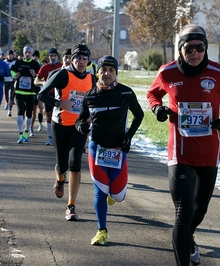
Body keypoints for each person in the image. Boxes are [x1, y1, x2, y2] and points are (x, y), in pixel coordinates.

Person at [147, 24, 220, 266]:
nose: (195, 53)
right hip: (180, 152)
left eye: (200, 47)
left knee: (198, 210)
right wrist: (157, 108)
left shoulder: (219, 73)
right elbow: (152, 94)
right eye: (189, 47)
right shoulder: (167, 72)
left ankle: (188, 238)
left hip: (208, 152)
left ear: (205, 49)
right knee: (183, 213)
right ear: (180, 49)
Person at [75, 55, 144, 246]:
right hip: (96, 148)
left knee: (118, 196)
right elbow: (80, 120)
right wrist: (81, 127)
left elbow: (139, 115)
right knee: (100, 192)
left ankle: (114, 194)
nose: (107, 73)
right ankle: (101, 231)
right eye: (103, 70)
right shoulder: (89, 96)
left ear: (116, 73)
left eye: (111, 70)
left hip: (118, 150)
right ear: (97, 72)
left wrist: (128, 136)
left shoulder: (126, 93)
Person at [38, 43, 96, 221]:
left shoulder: (92, 79)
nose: (81, 61)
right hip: (60, 124)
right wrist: (59, 103)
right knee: (62, 165)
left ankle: (71, 205)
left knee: (75, 163)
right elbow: (41, 94)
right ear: (72, 59)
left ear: (88, 61)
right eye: (78, 57)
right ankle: (60, 178)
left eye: (85, 58)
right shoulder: (62, 75)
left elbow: (95, 101)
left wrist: (89, 117)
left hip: (78, 127)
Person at [11, 45, 41, 143]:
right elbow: (12, 70)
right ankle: (20, 134)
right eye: (26, 52)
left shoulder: (35, 64)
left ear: (32, 53)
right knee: (20, 112)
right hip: (20, 91)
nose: (27, 54)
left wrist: (34, 75)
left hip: (31, 92)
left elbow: (41, 77)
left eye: (29, 52)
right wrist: (15, 75)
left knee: (29, 113)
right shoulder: (18, 63)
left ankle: (26, 131)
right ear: (23, 53)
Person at [34, 48, 62, 145]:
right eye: (51, 55)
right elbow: (36, 81)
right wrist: (43, 83)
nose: (52, 57)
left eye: (54, 55)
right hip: (49, 95)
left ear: (57, 56)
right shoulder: (45, 68)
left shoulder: (62, 66)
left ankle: (58, 137)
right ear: (48, 57)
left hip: (61, 95)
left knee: (61, 116)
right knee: (48, 115)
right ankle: (50, 137)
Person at [29, 50, 43, 137]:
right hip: (28, 90)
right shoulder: (29, 64)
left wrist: (35, 75)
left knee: (37, 109)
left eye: (36, 56)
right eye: (33, 56)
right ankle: (27, 127)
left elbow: (41, 78)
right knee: (28, 110)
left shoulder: (39, 66)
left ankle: (32, 126)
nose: (34, 58)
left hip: (38, 90)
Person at [4, 50, 17, 117]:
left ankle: (10, 110)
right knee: (6, 96)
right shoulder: (4, 62)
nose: (10, 56)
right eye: (9, 54)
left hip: (12, 81)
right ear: (7, 55)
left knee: (10, 96)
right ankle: (7, 103)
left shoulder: (15, 62)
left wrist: (15, 77)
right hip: (5, 81)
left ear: (13, 55)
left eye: (11, 54)